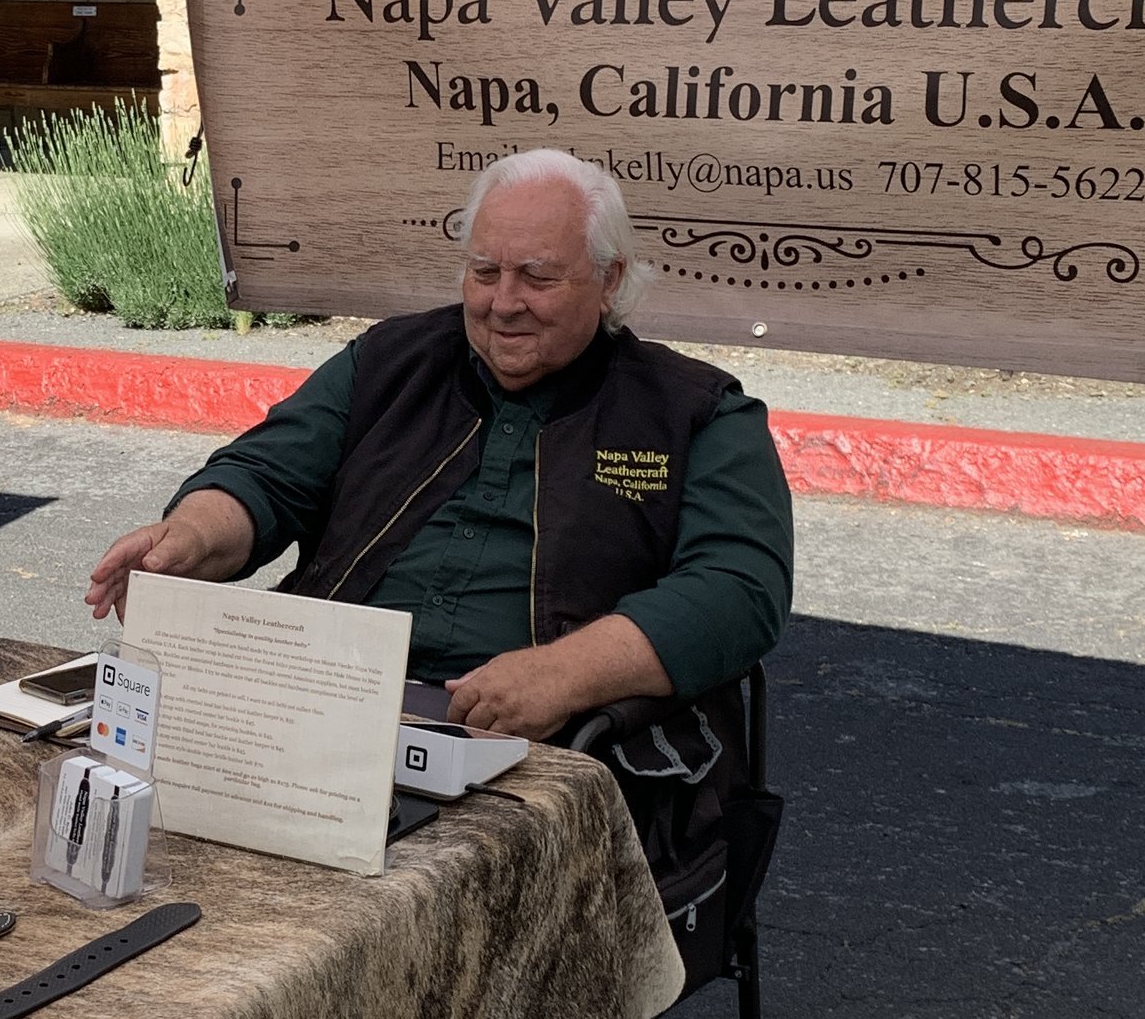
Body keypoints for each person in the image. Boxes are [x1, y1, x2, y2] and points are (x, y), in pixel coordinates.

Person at [86, 148, 792, 738]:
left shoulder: (696, 412)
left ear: (608, 280)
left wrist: (560, 676)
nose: (502, 301)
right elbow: (267, 473)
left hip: (551, 746)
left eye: (538, 277)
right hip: (324, 706)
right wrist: (187, 537)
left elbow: (737, 590)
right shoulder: (393, 360)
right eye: (485, 272)